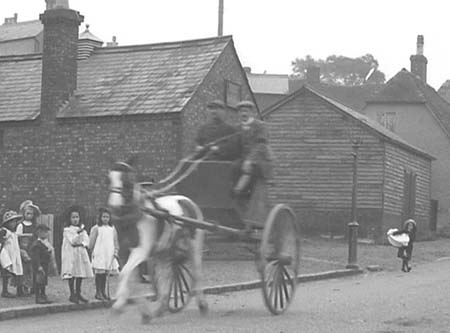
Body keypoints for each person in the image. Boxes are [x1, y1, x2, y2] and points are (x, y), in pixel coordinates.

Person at [233, 100, 273, 196]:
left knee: (248, 168)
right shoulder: (237, 128)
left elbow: (261, 145)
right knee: (231, 167)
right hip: (243, 159)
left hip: (261, 159)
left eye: (246, 111)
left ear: (252, 113)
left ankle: (238, 190)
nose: (244, 113)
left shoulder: (260, 126)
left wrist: (250, 160)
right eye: (241, 111)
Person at [61, 205, 93, 304]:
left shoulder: (82, 230)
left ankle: (78, 293)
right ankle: (72, 294)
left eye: (77, 217)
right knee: (72, 273)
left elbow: (87, 241)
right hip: (71, 254)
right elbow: (73, 241)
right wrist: (79, 235)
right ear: (69, 219)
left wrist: (82, 243)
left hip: (80, 253)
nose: (75, 219)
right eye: (73, 217)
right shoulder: (67, 230)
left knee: (80, 273)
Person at [89, 207, 119, 301]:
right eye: (104, 217)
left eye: (107, 217)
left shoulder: (112, 228)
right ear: (100, 217)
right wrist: (92, 251)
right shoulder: (96, 228)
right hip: (100, 253)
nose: (105, 219)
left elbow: (115, 241)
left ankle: (103, 291)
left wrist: (115, 251)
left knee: (105, 274)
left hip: (108, 253)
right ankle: (98, 292)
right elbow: (92, 242)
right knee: (99, 274)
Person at [15, 200, 41, 295]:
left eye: (31, 214)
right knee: (22, 269)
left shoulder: (35, 225)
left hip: (32, 248)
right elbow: (18, 236)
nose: (30, 215)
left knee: (33, 268)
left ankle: (33, 287)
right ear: (24, 214)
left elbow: (38, 236)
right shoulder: (21, 225)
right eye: (28, 213)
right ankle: (20, 288)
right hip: (24, 248)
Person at [0, 210, 24, 298]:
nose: (14, 224)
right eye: (11, 222)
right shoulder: (4, 231)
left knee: (18, 270)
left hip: (15, 254)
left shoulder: (14, 233)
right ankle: (5, 290)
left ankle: (19, 290)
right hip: (7, 254)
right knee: (6, 272)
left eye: (15, 222)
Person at [30, 224, 53, 304]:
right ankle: (38, 297)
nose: (45, 234)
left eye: (46, 232)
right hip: (39, 266)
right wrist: (39, 266)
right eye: (43, 232)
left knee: (43, 281)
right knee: (38, 281)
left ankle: (43, 295)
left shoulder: (46, 243)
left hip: (45, 265)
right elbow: (36, 257)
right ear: (38, 233)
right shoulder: (37, 244)